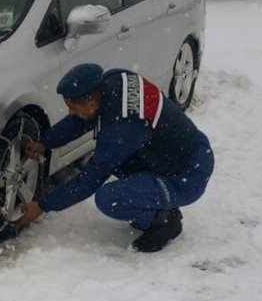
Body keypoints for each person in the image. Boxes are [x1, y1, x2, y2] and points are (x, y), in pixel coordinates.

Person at [17, 63, 214, 253]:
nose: (71, 112)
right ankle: (156, 199)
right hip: (187, 149)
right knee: (116, 162)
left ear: (92, 103)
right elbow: (79, 121)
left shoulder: (122, 128)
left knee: (109, 198)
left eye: (73, 107)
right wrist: (45, 142)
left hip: (188, 175)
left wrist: (43, 206)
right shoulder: (114, 80)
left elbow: (90, 180)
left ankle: (163, 221)